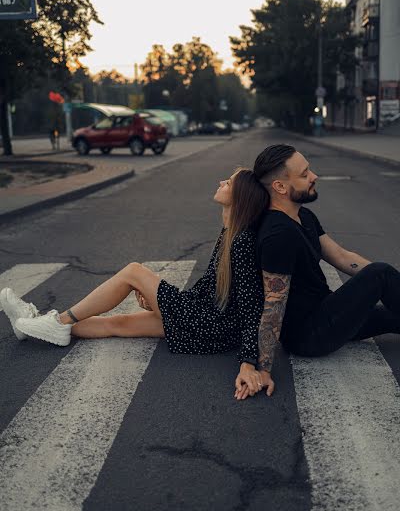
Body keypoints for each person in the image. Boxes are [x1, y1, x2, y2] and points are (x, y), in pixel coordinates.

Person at [1, 168, 268, 398]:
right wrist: (166, 302)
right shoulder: (229, 232)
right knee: (118, 324)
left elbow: (250, 305)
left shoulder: (242, 242)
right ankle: (35, 325)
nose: (222, 182)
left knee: (134, 272)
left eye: (229, 182)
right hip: (203, 317)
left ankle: (58, 322)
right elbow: (212, 287)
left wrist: (248, 361)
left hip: (210, 325)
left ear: (239, 198)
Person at [235, 143, 400, 400]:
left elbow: (343, 257)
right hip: (309, 335)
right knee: (380, 273)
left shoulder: (304, 217)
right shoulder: (278, 235)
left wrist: (393, 285)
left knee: (393, 314)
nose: (314, 177)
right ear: (279, 187)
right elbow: (273, 304)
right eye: (304, 174)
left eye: (309, 170)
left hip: (326, 311)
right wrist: (263, 367)